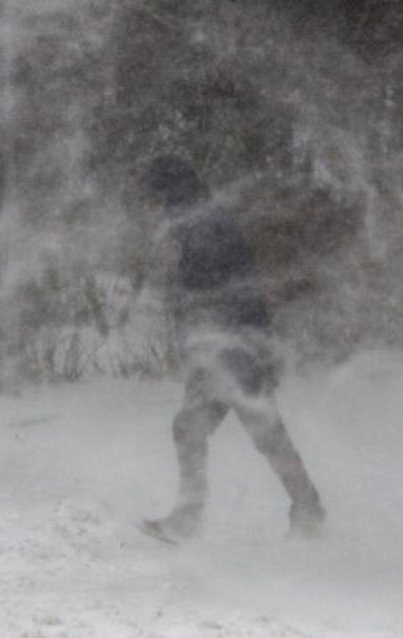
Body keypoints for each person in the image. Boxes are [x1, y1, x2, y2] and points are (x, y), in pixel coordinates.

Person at [140, 153, 325, 541]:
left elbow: (220, 296)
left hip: (230, 351)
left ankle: (190, 519)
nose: (154, 208)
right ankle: (307, 508)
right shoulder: (201, 222)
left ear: (169, 192)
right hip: (234, 348)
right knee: (256, 432)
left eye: (156, 197)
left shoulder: (203, 228)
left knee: (209, 429)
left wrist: (212, 346)